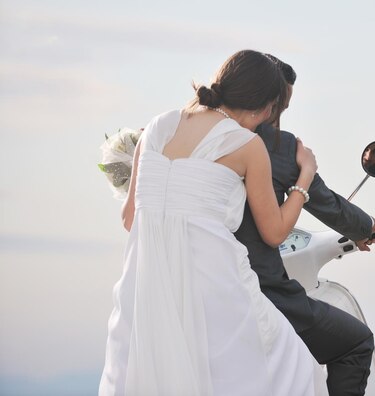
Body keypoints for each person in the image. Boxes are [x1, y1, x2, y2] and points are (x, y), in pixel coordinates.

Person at [99, 50, 329, 396]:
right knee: (294, 368)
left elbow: (130, 219)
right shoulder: (248, 145)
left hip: (147, 284)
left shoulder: (159, 126)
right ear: (263, 107)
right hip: (214, 286)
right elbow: (274, 232)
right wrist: (305, 177)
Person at [234, 55, 375, 396]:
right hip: (260, 285)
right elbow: (326, 202)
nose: (277, 116)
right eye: (278, 105)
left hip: (197, 277)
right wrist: (369, 226)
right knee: (356, 343)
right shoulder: (278, 146)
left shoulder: (197, 139)